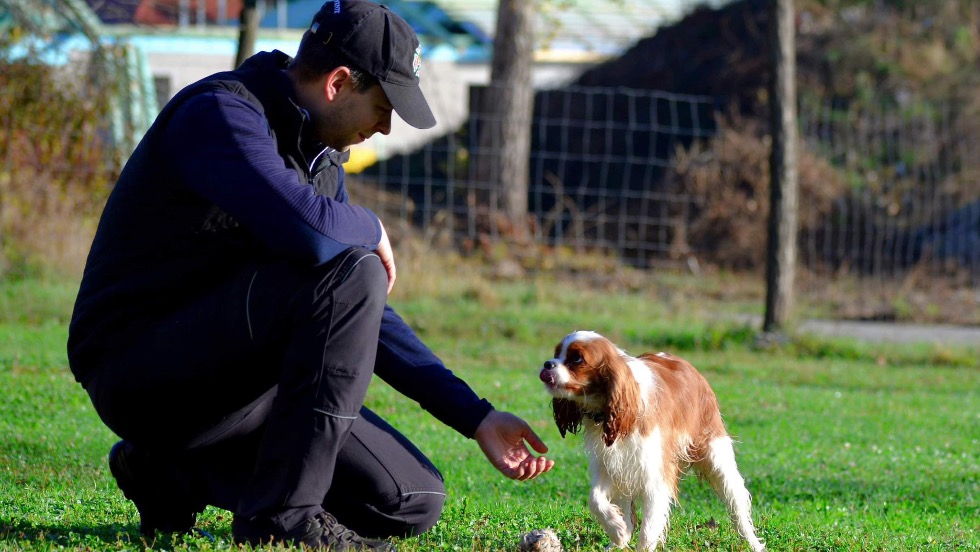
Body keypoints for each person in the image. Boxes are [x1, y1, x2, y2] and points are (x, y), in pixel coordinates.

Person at [66, 1, 554, 549]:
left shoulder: (319, 156)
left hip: (238, 384)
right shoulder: (221, 115)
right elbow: (314, 236)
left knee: (410, 499)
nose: (387, 125)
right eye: (384, 104)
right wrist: (369, 224)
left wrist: (476, 415)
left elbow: (363, 310)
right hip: (140, 372)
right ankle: (281, 522)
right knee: (355, 269)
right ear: (339, 82)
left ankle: (167, 470)